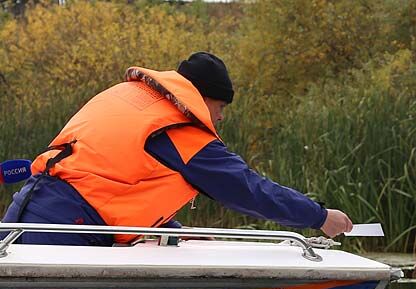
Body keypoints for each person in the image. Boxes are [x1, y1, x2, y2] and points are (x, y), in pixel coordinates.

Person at [2, 52, 352, 246]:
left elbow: (116, 177)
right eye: (221, 107)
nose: (220, 117)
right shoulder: (181, 132)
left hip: (27, 209)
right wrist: (318, 216)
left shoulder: (130, 98)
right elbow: (247, 189)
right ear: (202, 98)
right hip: (70, 232)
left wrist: (171, 226)